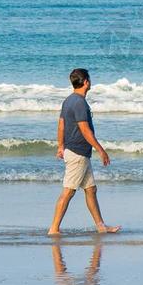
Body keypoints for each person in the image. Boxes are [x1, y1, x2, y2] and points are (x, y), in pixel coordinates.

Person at [48, 68, 120, 235]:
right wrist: (101, 150)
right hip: (77, 153)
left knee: (91, 189)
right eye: (89, 79)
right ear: (86, 81)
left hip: (78, 152)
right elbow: (85, 130)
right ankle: (54, 229)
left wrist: (60, 146)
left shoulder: (68, 100)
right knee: (68, 191)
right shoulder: (79, 102)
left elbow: (61, 124)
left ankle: (101, 226)